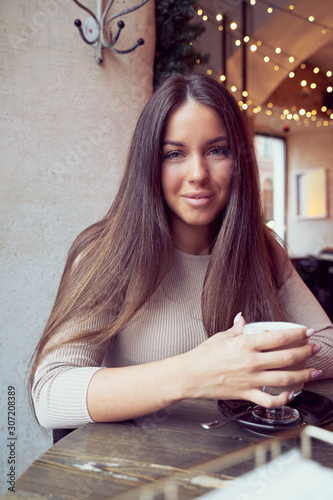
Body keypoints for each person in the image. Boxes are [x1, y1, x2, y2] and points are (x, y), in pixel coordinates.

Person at [29, 73, 333, 429]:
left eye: (217, 150)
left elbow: (326, 346)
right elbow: (50, 393)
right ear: (150, 165)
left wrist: (244, 362)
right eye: (175, 154)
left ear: (239, 161)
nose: (198, 174)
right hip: (140, 473)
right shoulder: (106, 254)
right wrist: (196, 373)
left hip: (241, 464)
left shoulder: (261, 248)